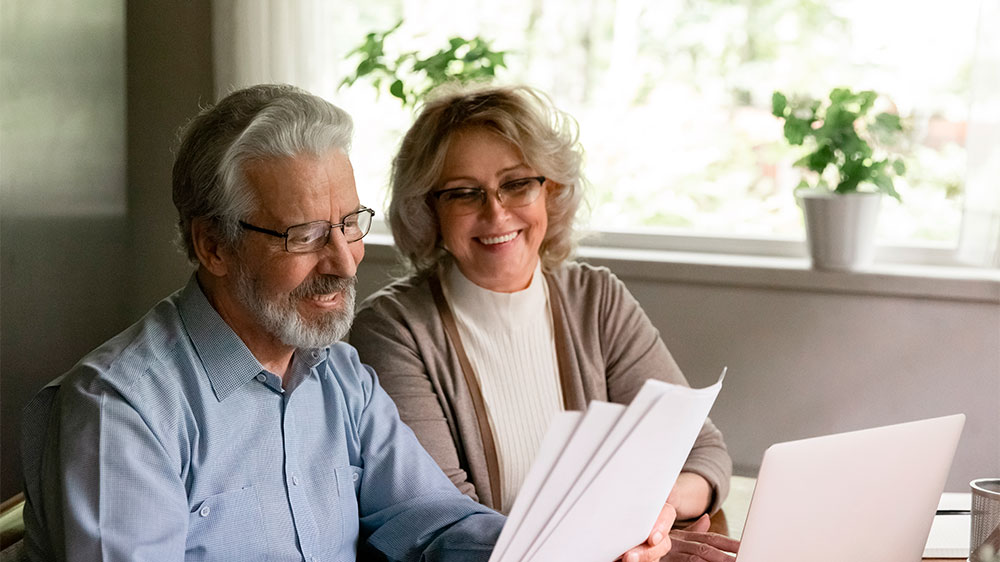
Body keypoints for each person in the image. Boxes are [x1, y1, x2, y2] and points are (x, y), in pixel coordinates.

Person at [19, 84, 505, 562]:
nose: (344, 262)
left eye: (350, 223)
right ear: (213, 245)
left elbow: (435, 523)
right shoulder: (122, 407)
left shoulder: (341, 375)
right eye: (307, 235)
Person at [350, 84, 739, 561]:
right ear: (429, 209)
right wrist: (611, 540)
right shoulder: (393, 330)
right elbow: (446, 524)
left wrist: (654, 518)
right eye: (464, 193)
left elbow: (703, 451)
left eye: (517, 184)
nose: (496, 212)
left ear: (549, 191)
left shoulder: (596, 299)